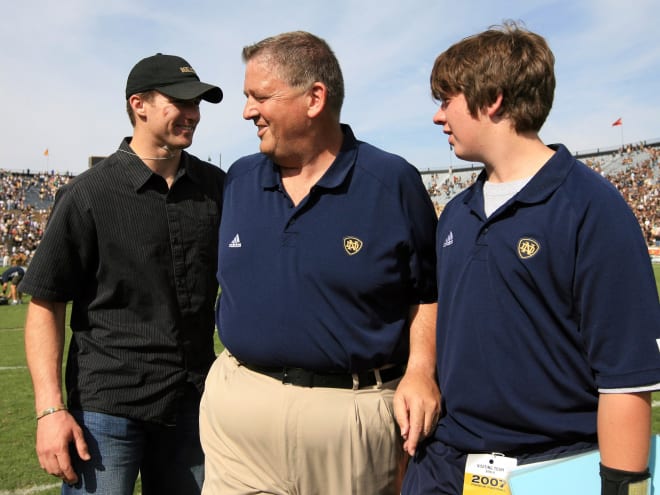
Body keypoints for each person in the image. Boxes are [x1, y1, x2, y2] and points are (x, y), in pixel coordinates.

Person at [402, 21, 660, 495]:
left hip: (551, 468)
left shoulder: (591, 207)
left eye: (447, 100)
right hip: (445, 465)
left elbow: (626, 378)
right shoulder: (456, 214)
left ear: (492, 98)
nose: (439, 117)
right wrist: (419, 372)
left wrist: (624, 486)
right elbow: (439, 312)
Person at [199, 31, 439, 495]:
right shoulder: (240, 179)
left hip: (347, 415)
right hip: (240, 409)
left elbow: (428, 294)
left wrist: (421, 370)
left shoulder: (390, 181)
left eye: (259, 97)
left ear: (314, 98)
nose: (248, 111)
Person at [20, 53, 225, 494]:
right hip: (107, 411)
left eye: (198, 104)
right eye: (181, 101)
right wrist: (50, 410)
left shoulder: (218, 188)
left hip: (193, 404)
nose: (193, 114)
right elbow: (45, 301)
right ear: (140, 104)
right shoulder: (86, 194)